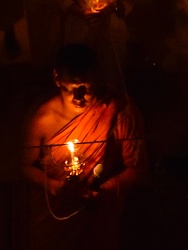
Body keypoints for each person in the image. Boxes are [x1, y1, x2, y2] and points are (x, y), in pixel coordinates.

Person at [22, 44, 146, 249]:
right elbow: (25, 166)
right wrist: (54, 187)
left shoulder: (119, 110)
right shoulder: (42, 120)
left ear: (97, 78)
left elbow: (137, 169)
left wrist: (106, 191)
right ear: (57, 79)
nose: (79, 97)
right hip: (57, 203)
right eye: (71, 88)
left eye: (86, 88)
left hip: (99, 201)